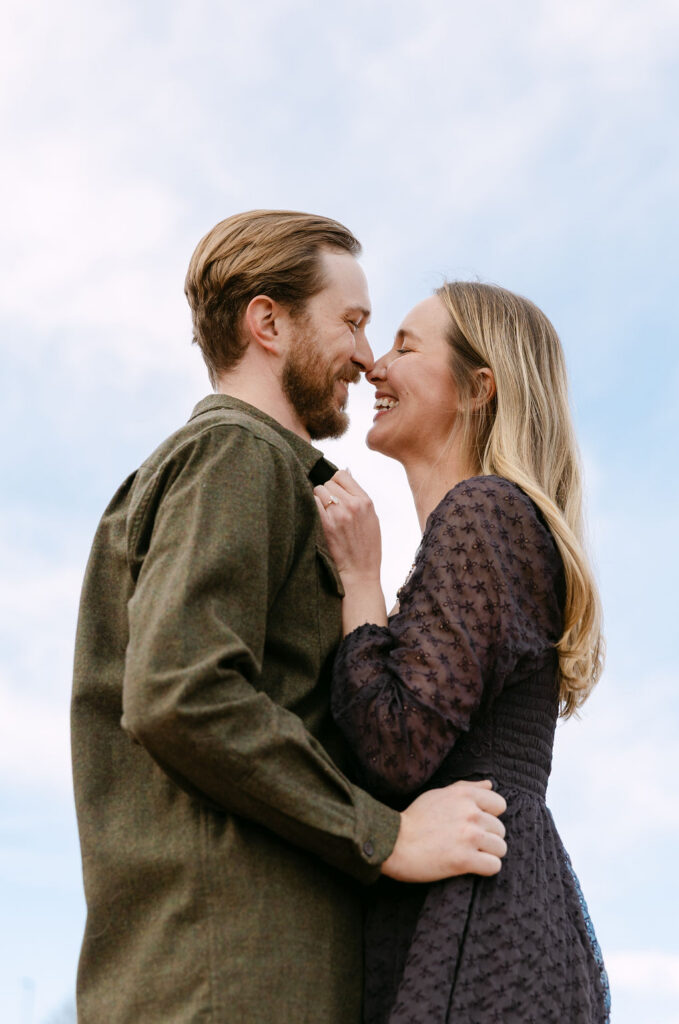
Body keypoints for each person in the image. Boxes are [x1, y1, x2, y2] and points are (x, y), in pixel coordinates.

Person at [70, 212, 508, 1024]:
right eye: (352, 322)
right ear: (268, 323)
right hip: (229, 987)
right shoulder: (235, 457)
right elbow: (181, 692)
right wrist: (386, 836)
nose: (367, 356)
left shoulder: (269, 477)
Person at [314, 282, 611, 1023]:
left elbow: (398, 742)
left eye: (406, 347)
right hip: (494, 913)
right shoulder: (491, 525)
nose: (375, 366)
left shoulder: (483, 512)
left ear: (479, 389)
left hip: (477, 930)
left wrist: (357, 579)